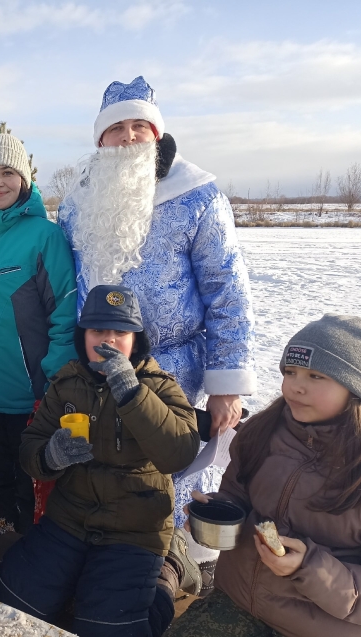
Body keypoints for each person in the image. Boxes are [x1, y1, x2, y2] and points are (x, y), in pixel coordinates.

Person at [58, 76, 256, 587]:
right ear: (100, 141)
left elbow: (226, 291)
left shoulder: (197, 196)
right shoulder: (78, 201)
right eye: (115, 129)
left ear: (156, 134)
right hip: (99, 363)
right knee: (108, 465)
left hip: (177, 367)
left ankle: (187, 570)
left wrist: (226, 384)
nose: (127, 138)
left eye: (137, 127)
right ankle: (116, 561)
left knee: (174, 471)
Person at [167, 314, 361, 637]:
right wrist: (219, 513)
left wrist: (310, 569)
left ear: (356, 389)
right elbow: (239, 497)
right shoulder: (263, 433)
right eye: (291, 372)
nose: (296, 386)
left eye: (315, 376)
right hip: (238, 605)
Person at [0, 285, 200, 637]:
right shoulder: (67, 383)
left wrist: (131, 392)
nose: (110, 340)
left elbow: (179, 452)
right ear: (83, 336)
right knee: (8, 602)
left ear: (136, 341)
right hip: (69, 519)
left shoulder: (160, 386)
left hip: (136, 528)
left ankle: (170, 569)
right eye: (99, 331)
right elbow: (30, 449)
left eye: (121, 333)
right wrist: (50, 455)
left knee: (109, 627)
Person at [0, 132, 78, 536]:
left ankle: (23, 559)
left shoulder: (45, 236)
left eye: (8, 172)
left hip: (24, 394)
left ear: (24, 179)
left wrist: (50, 381)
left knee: (25, 486)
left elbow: (64, 315)